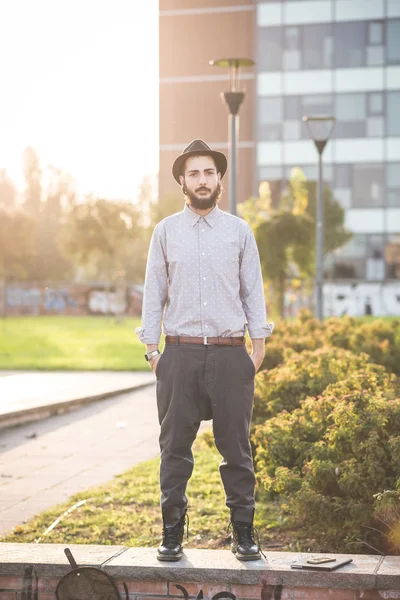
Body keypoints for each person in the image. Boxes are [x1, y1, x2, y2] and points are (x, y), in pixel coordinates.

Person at [135, 139, 274, 562]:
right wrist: (153, 352)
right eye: (193, 173)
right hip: (179, 356)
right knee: (174, 448)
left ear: (219, 179)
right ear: (182, 180)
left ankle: (244, 533)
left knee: (237, 449)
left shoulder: (239, 231)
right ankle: (172, 533)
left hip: (232, 355)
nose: (202, 180)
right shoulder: (165, 232)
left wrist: (258, 347)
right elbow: (153, 292)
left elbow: (253, 289)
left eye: (209, 172)